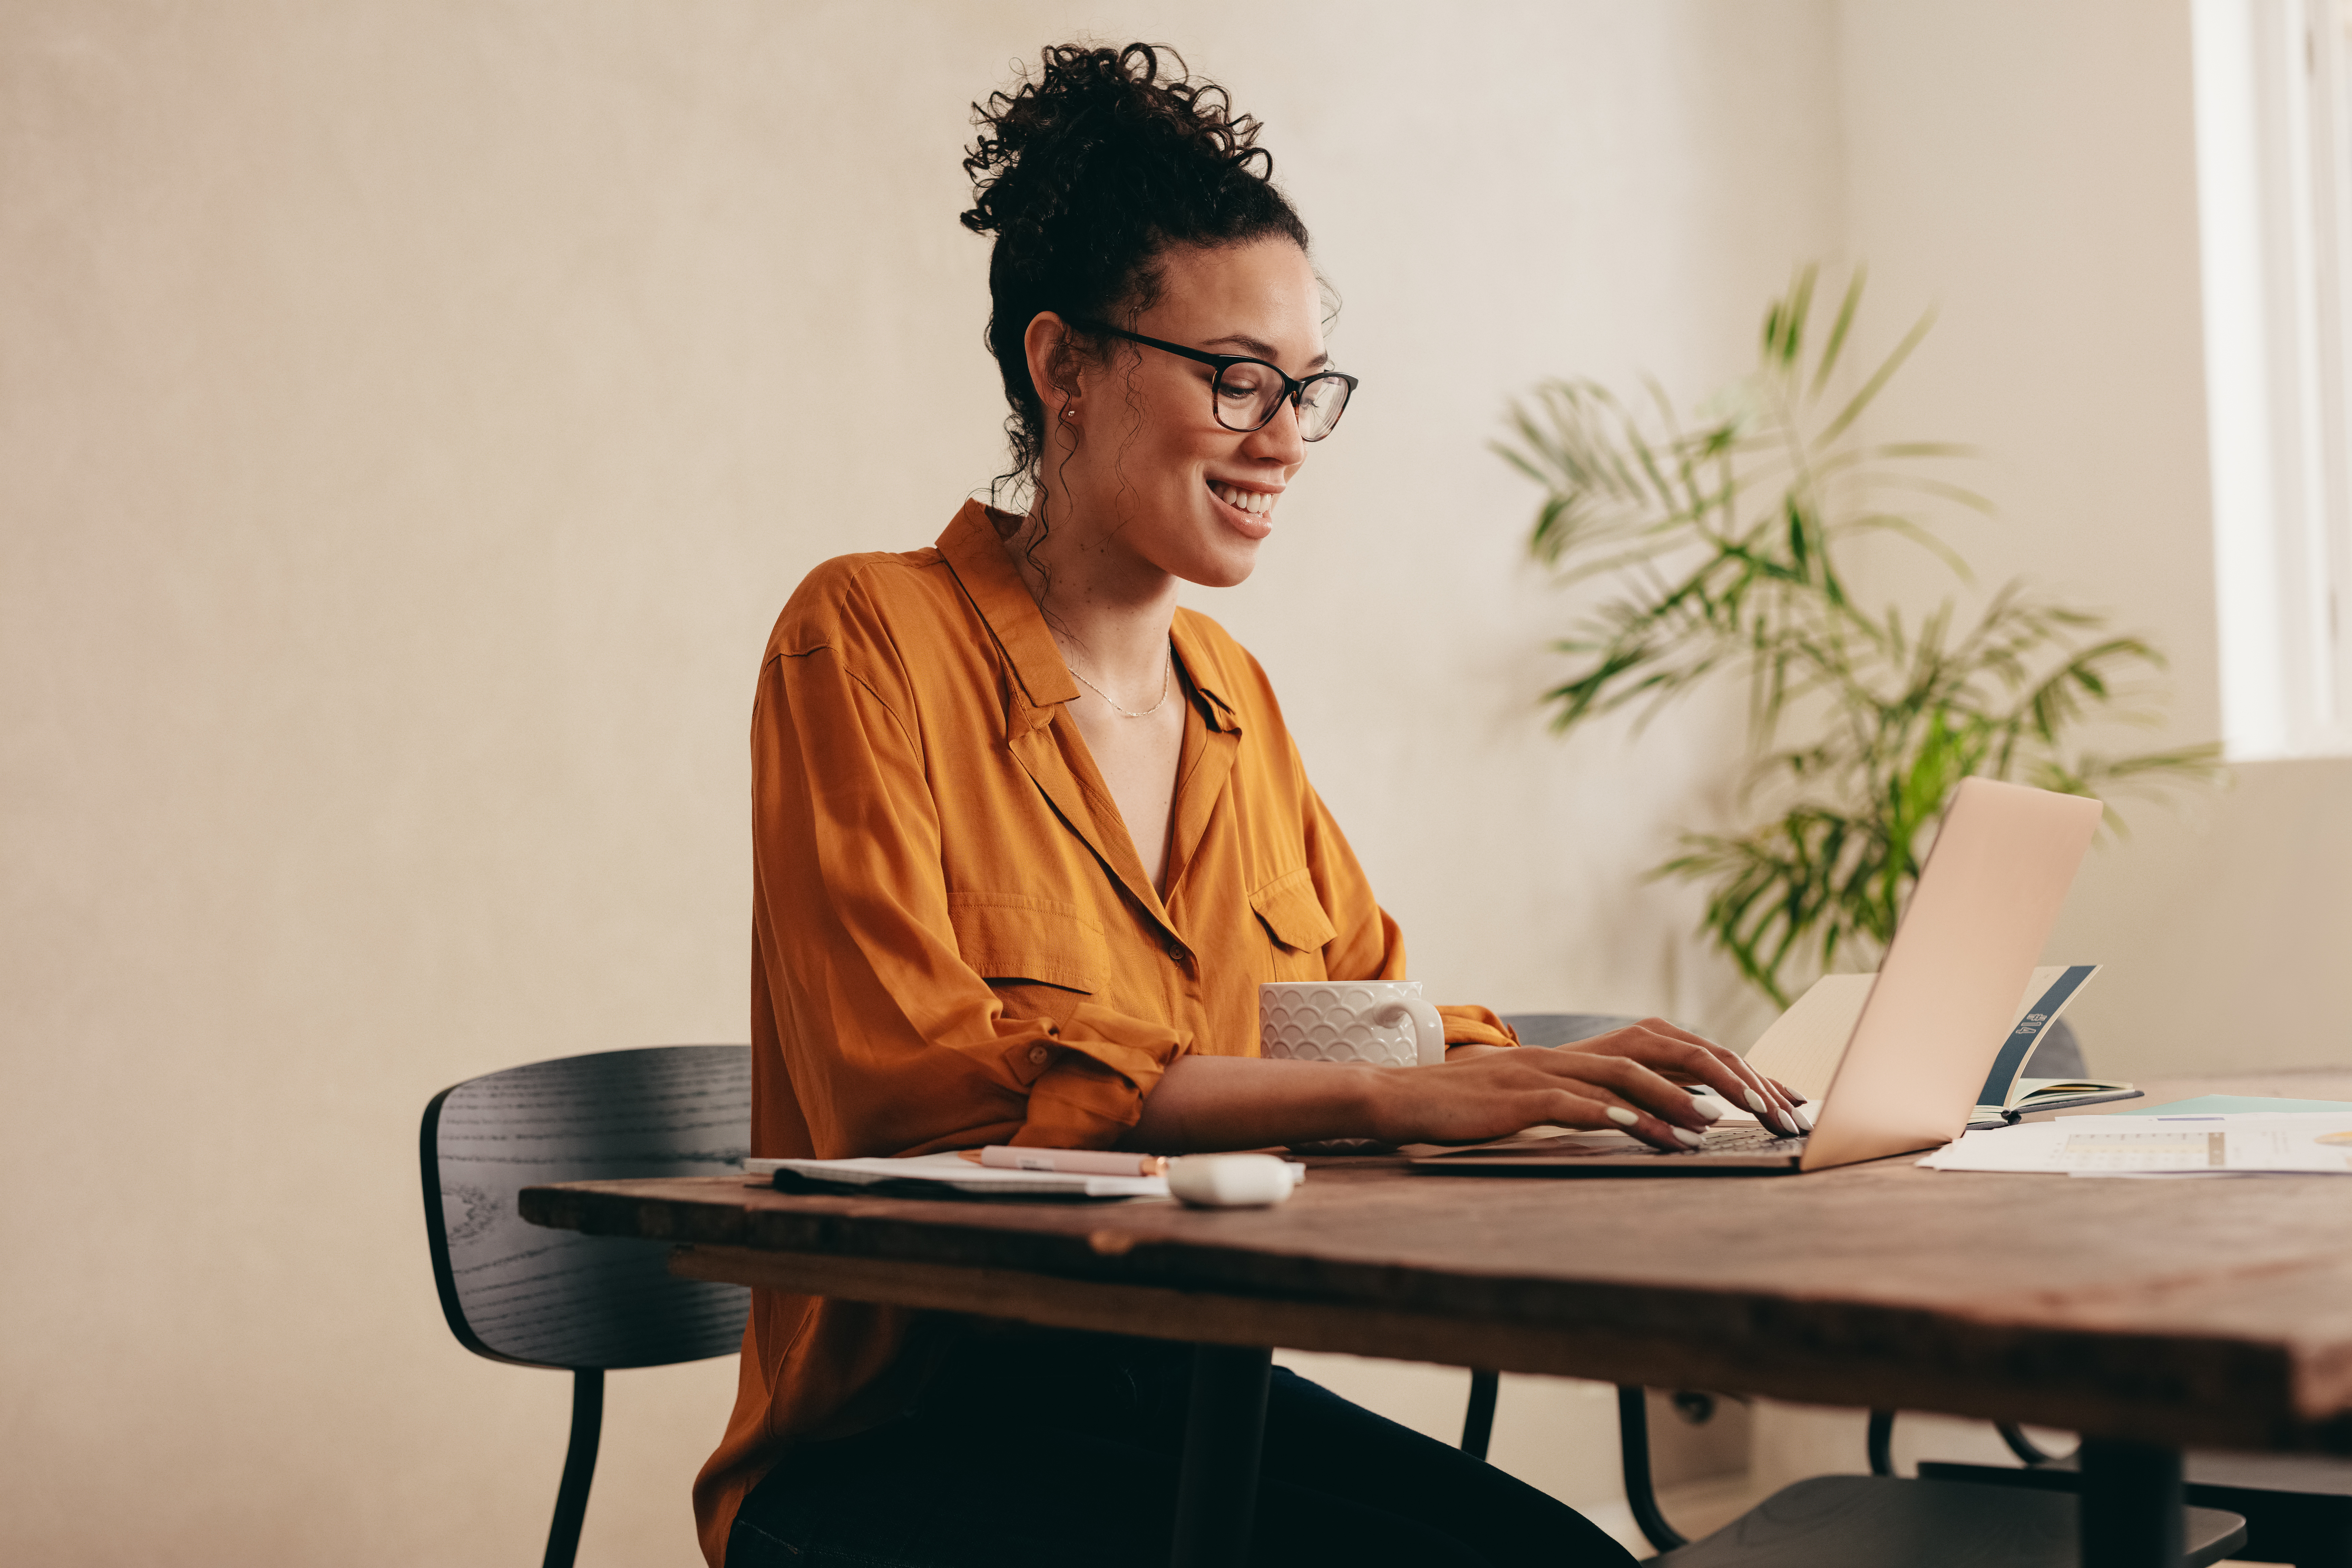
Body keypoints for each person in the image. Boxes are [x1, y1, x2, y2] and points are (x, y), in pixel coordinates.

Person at [698, 42, 1807, 1568]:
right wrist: (1381, 1098)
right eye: (1235, 378)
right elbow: (929, 1098)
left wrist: (1551, 1070)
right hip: (904, 1447)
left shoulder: (1230, 697)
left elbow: (1360, 1016)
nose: (1282, 434)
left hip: (1175, 1393)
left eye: (1303, 387)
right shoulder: (863, 638)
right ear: (1062, 366)